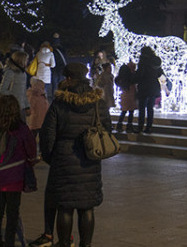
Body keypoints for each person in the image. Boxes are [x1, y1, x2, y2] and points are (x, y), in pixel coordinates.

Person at [39, 63, 110, 247]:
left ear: (69, 79)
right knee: (87, 207)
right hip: (89, 160)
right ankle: (85, 245)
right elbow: (107, 130)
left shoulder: (60, 103)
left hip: (64, 160)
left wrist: (51, 158)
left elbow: (47, 135)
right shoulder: (98, 103)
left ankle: (63, 243)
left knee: (65, 207)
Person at [0, 93, 38, 247]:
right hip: (14, 176)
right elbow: (31, 150)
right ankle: (9, 242)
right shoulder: (20, 129)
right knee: (12, 212)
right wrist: (32, 161)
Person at [135, 47, 162, 134]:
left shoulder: (143, 61)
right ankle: (149, 127)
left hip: (144, 86)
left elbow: (140, 74)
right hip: (154, 87)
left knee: (142, 108)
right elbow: (160, 73)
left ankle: (140, 127)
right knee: (150, 108)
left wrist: (134, 79)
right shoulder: (155, 61)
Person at [0, 51, 30, 119]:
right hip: (11, 107)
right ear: (20, 60)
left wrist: (27, 106)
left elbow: (23, 92)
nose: (27, 61)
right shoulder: (10, 72)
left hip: (21, 107)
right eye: (26, 59)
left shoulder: (23, 73)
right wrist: (14, 95)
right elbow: (2, 90)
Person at [114, 61, 137, 132]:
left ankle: (119, 125)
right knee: (131, 112)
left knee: (123, 111)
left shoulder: (119, 79)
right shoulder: (131, 77)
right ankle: (129, 126)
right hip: (131, 96)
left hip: (124, 96)